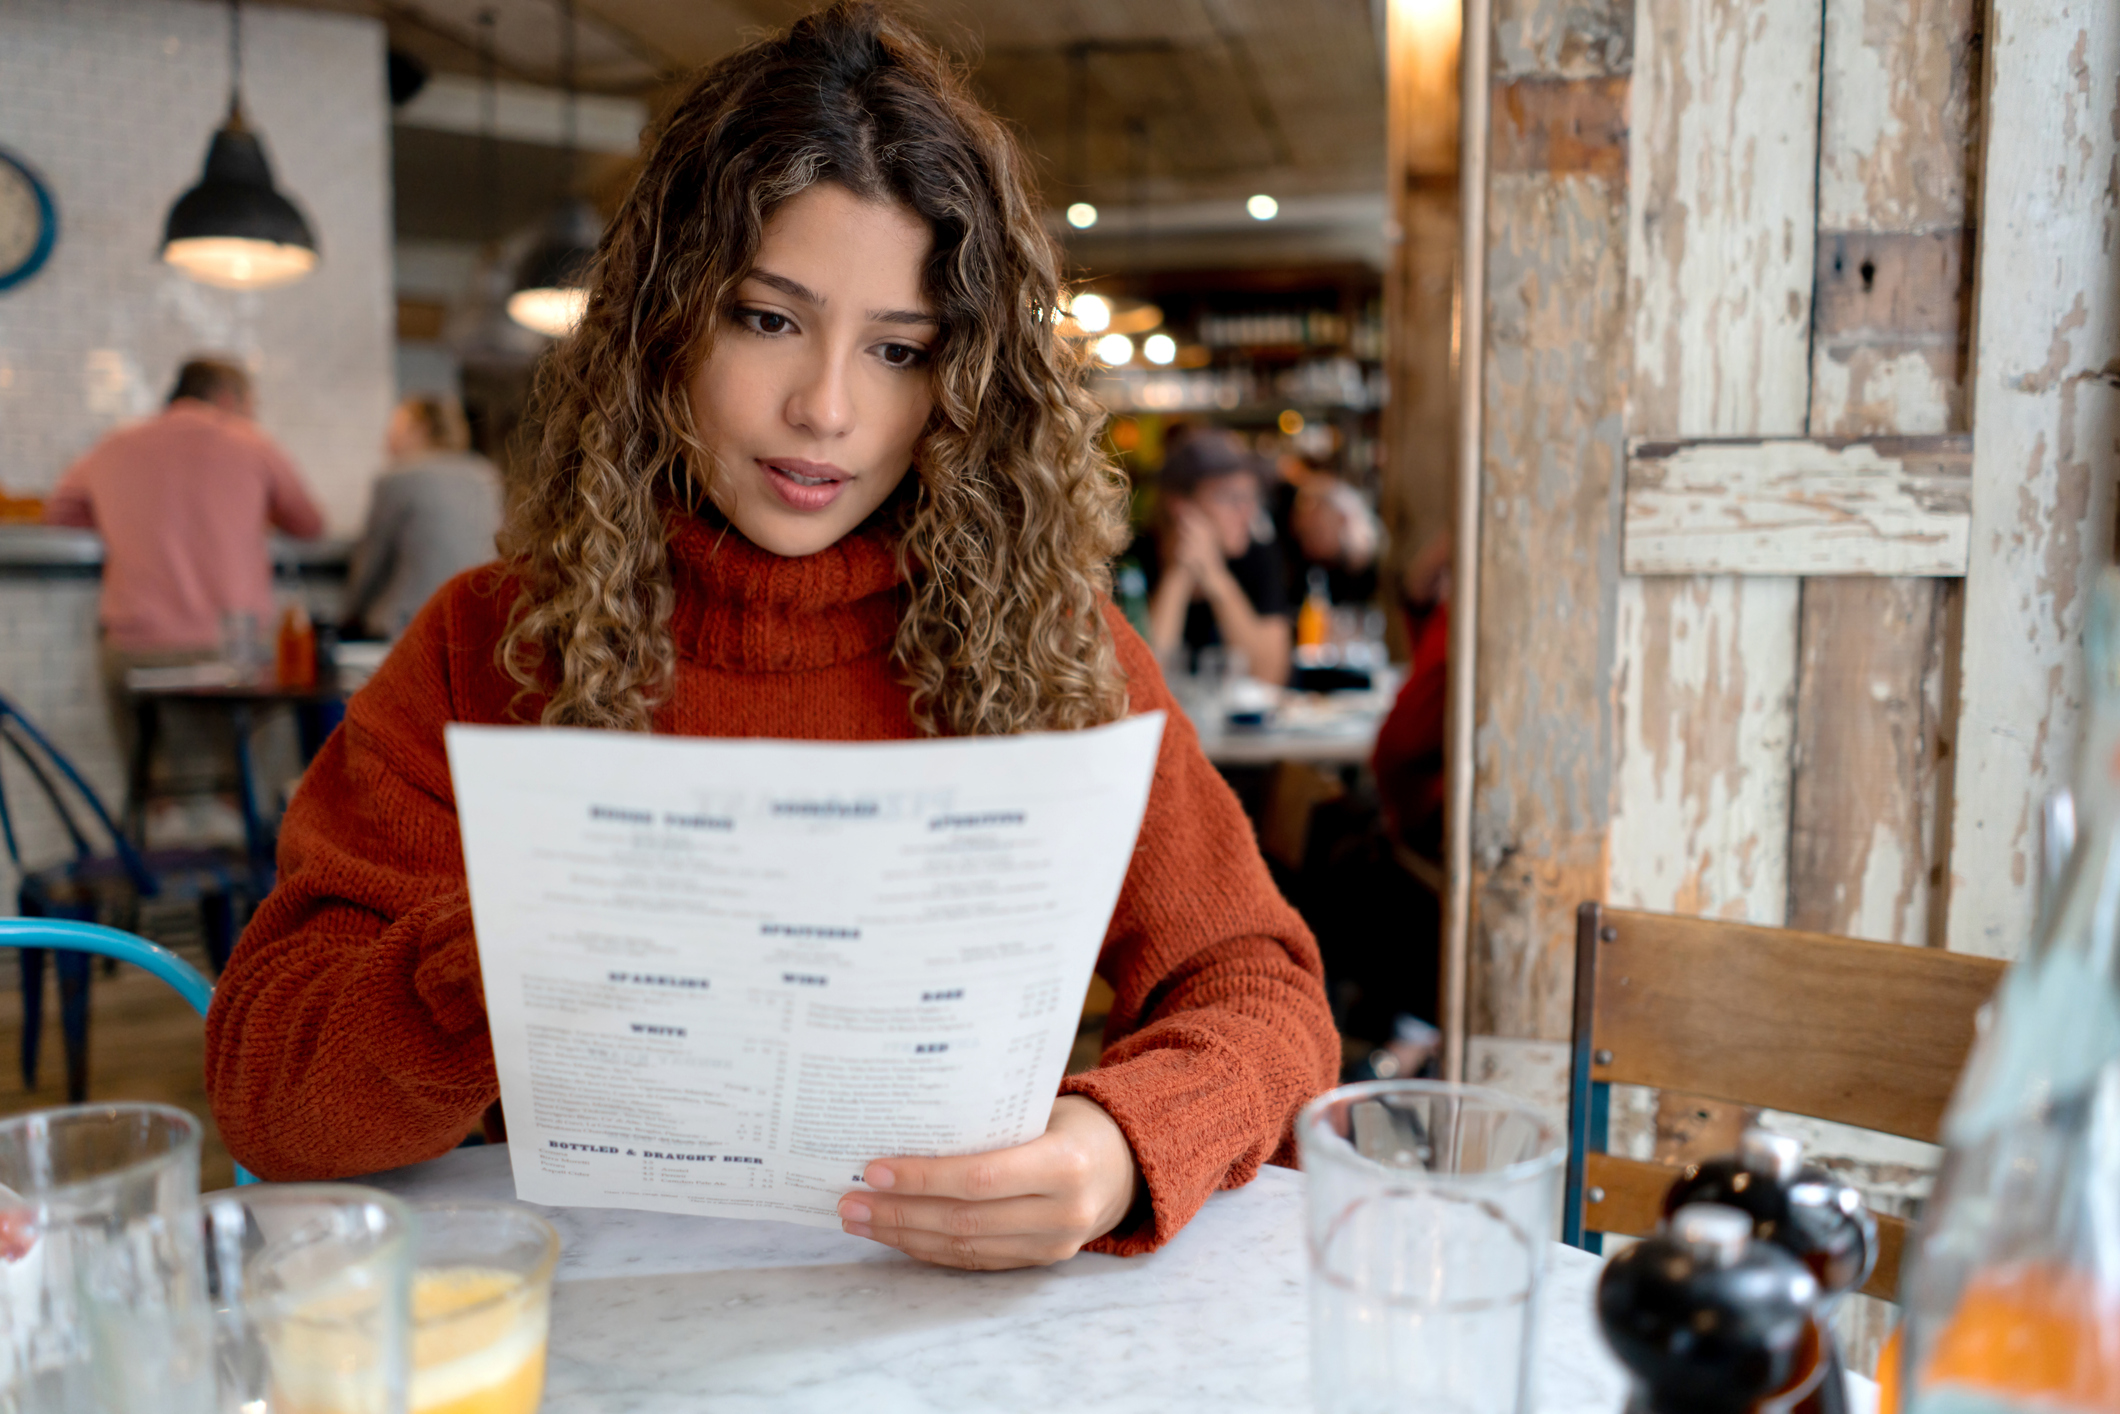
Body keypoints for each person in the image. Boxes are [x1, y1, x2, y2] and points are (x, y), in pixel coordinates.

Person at [204, 2, 1337, 1273]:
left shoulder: (1049, 647)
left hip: (946, 1317)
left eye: (900, 348)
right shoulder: (491, 644)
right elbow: (270, 1093)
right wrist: (516, 938)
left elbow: (1262, 989)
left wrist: (1114, 1146)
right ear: (662, 325)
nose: (826, 408)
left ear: (962, 382)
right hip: (582, 1317)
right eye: (766, 319)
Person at [45, 356, 324, 762]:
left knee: (155, 774)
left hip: (135, 650)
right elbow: (309, 525)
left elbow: (59, 515)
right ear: (228, 399)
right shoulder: (250, 442)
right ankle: (242, 810)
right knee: (255, 763)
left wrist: (125, 519)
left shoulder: (113, 445)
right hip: (233, 652)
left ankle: (156, 812)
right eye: (251, 406)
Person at [1137, 429, 1292, 685]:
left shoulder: (1259, 556)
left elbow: (1270, 676)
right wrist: (1178, 574)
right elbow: (1143, 681)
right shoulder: (1133, 561)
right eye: (1230, 498)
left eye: (1251, 497)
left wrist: (1215, 577)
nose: (1247, 512)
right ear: (1180, 505)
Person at [343, 394, 504, 640]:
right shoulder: (485, 474)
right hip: (476, 625)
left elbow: (368, 567)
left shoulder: (397, 479)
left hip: (407, 627)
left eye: (396, 429)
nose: (387, 440)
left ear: (420, 429)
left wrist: (346, 617)